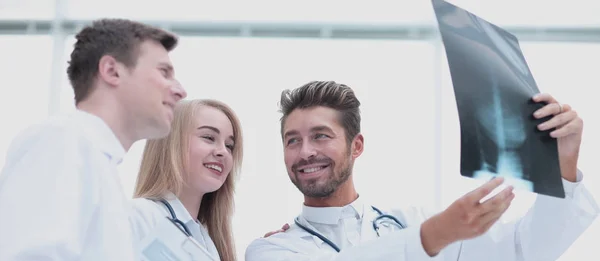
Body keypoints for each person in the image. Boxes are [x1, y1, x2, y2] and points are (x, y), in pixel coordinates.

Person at [245, 80, 599, 260]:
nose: (305, 152)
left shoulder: (410, 220)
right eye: (292, 141)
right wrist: (433, 235)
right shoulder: (273, 250)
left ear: (357, 146)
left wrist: (563, 164)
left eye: (320, 136)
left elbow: (524, 249)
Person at [0, 19, 186, 260]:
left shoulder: (96, 164)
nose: (180, 90)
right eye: (164, 72)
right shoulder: (62, 140)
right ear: (111, 71)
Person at [129, 99, 243, 261]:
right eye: (209, 137)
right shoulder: (139, 216)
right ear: (171, 143)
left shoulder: (209, 243)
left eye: (229, 146)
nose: (223, 152)